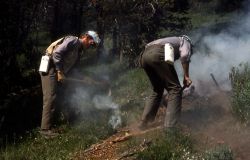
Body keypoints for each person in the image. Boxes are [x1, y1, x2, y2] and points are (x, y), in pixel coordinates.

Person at [39, 31, 101, 138]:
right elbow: (57, 53)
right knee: (50, 97)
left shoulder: (79, 51)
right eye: (92, 43)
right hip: (50, 68)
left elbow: (74, 70)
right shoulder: (73, 41)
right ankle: (45, 129)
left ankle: (66, 119)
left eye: (93, 45)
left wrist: (84, 78)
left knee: (65, 93)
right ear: (86, 37)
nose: (91, 46)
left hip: (58, 70)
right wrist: (59, 72)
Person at [138, 35, 193, 131]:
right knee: (175, 89)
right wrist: (186, 76)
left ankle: (144, 122)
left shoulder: (169, 40)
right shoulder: (185, 42)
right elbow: (184, 56)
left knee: (157, 89)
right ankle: (170, 127)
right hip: (157, 54)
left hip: (144, 57)